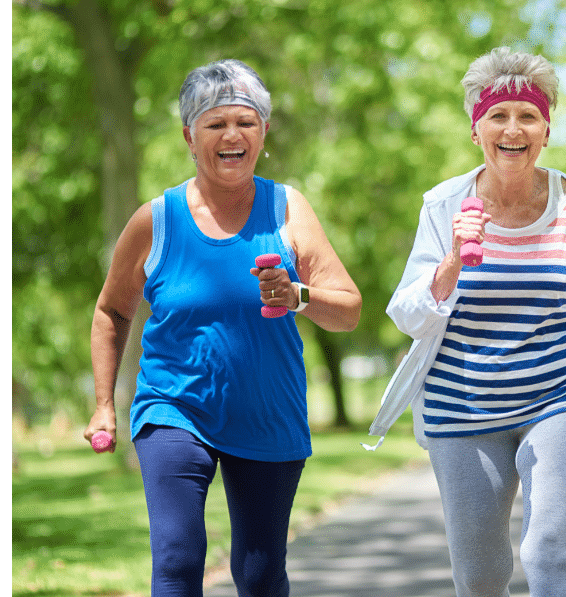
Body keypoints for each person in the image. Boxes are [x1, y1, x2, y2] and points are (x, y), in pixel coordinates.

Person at [365, 46, 566, 596]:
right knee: (479, 577)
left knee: (549, 551)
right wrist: (452, 262)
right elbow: (407, 313)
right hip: (463, 402)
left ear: (546, 130)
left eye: (528, 116)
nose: (513, 129)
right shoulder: (443, 206)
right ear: (476, 128)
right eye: (498, 116)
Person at [83, 59, 362, 597]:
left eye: (246, 122)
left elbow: (347, 310)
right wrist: (103, 402)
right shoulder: (155, 220)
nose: (232, 135)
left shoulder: (289, 209)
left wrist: (298, 295)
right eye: (216, 125)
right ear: (190, 136)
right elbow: (112, 310)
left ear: (264, 132)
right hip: (174, 406)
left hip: (268, 412)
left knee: (259, 575)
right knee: (178, 559)